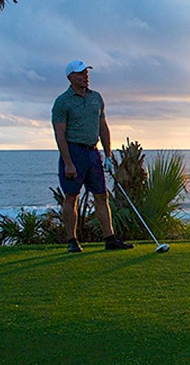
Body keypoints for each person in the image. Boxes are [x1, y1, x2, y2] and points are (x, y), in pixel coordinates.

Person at [52, 60, 133, 253]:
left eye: (86, 73)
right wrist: (68, 163)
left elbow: (103, 127)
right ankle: (72, 240)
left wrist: (107, 155)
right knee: (71, 197)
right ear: (70, 77)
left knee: (101, 196)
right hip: (74, 152)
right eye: (80, 74)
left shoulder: (96, 97)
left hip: (93, 152)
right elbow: (59, 134)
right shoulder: (62, 102)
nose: (85, 76)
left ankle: (110, 239)